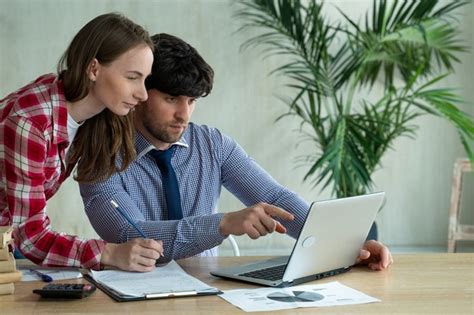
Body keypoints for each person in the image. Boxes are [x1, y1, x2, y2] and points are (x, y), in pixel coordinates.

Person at [80, 33, 393, 270]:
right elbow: (129, 233)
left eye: (192, 101)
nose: (184, 115)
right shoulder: (100, 154)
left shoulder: (212, 145)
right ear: (141, 92)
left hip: (205, 288)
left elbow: (277, 200)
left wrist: (349, 244)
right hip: (130, 296)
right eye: (172, 99)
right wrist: (221, 224)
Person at [0, 13, 164, 271]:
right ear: (94, 69)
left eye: (145, 80)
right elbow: (30, 237)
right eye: (132, 77)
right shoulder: (31, 123)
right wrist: (109, 253)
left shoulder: (91, 115)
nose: (142, 94)